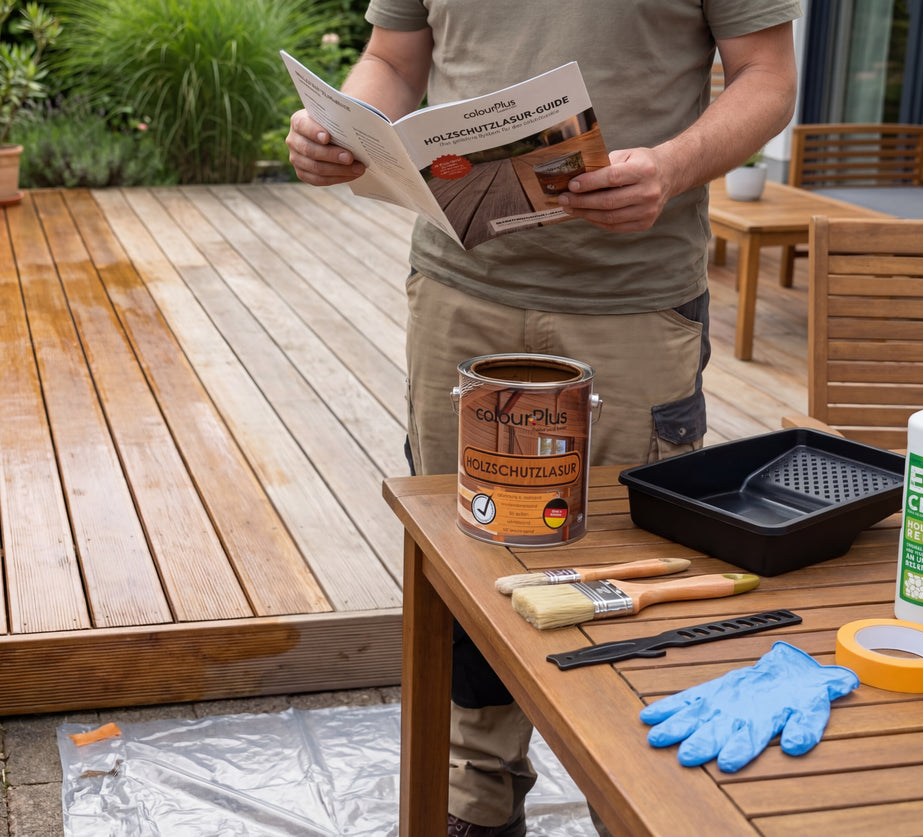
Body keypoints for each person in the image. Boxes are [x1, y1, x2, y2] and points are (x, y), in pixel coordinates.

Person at [286, 3, 800, 836]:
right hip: (461, 286)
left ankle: (627, 801)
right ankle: (478, 797)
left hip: (632, 301)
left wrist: (668, 167)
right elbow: (393, 59)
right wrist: (342, 126)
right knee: (465, 546)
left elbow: (767, 76)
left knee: (628, 559)